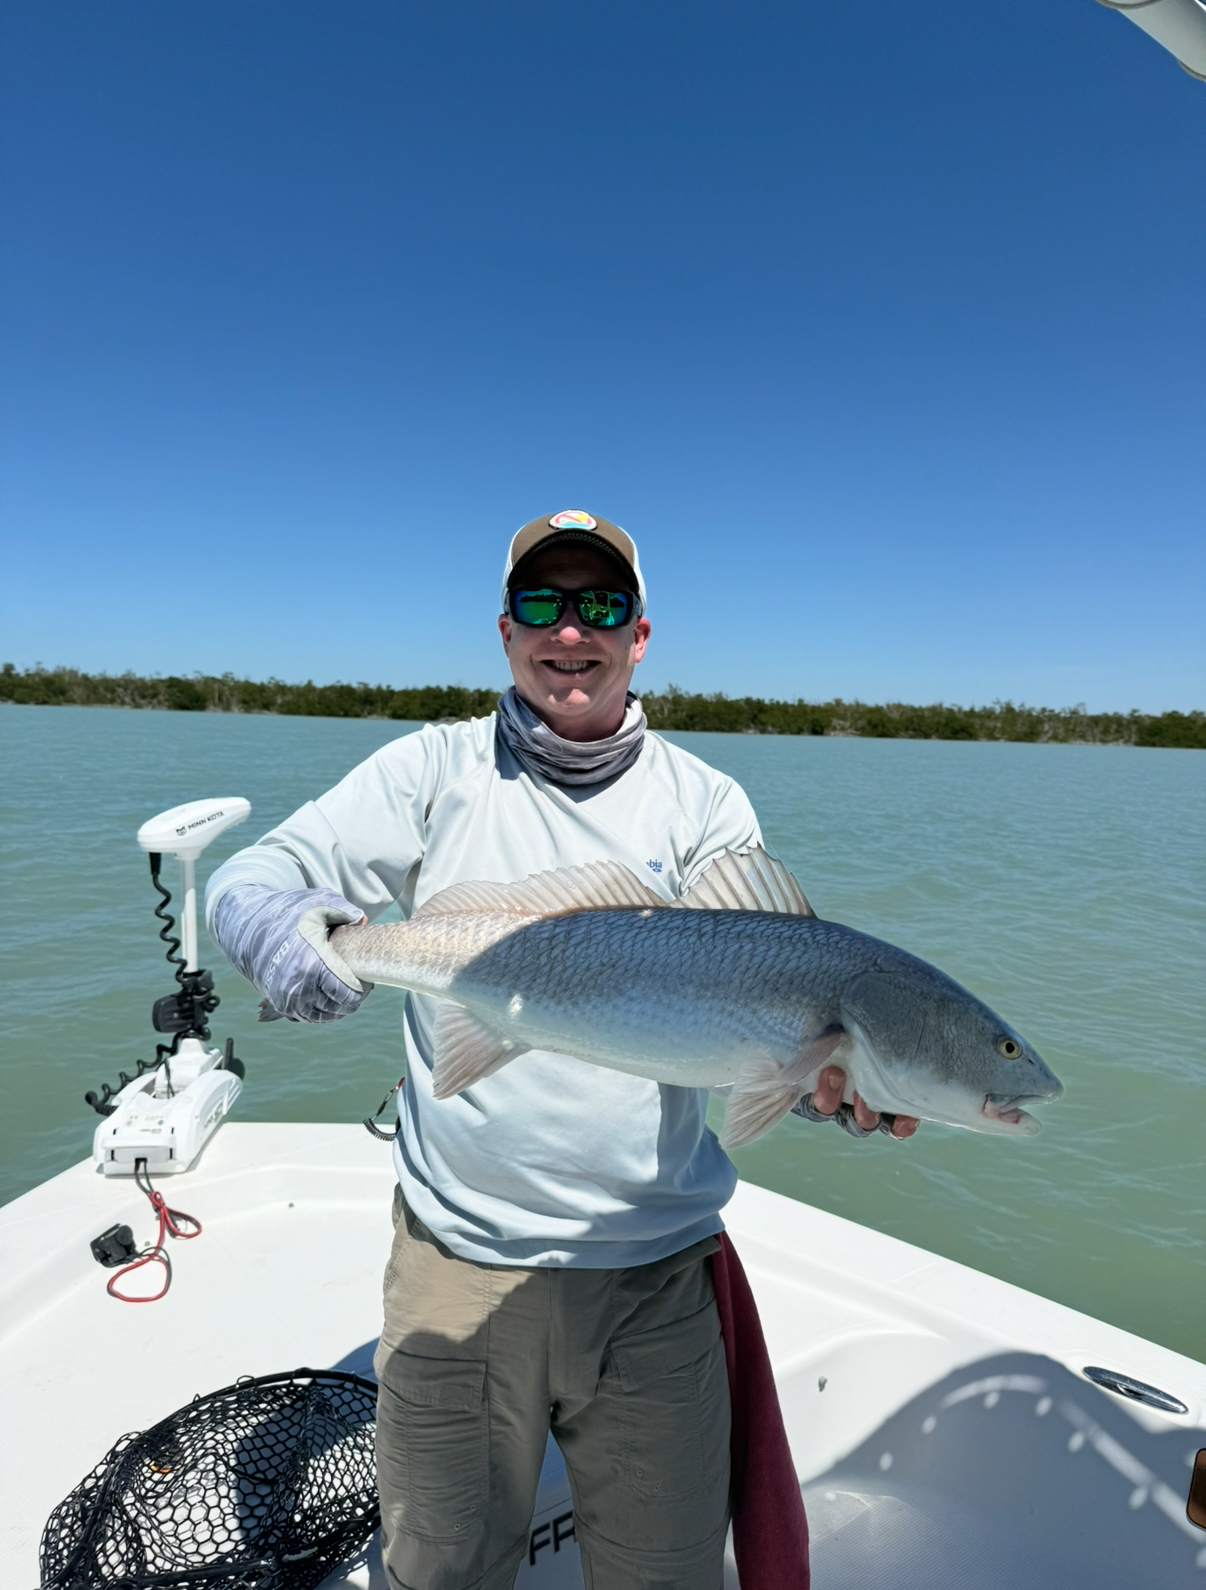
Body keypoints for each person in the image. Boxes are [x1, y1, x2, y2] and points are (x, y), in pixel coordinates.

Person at [206, 510, 919, 1590]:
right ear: (505, 631)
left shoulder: (705, 803)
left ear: (641, 635)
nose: (570, 632)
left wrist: (826, 1080)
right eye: (543, 605)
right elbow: (250, 879)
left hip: (656, 1282)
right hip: (457, 1268)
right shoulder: (432, 771)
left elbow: (761, 998)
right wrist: (293, 942)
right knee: (439, 1575)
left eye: (601, 606)